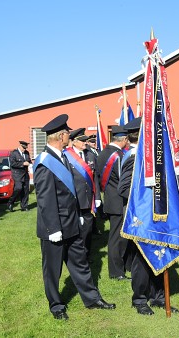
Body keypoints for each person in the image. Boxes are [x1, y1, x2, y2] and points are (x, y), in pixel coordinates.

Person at [33, 114, 115, 320]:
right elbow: (45, 199)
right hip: (55, 228)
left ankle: (92, 298)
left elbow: (72, 191)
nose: (69, 135)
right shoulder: (45, 161)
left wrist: (78, 213)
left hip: (72, 222)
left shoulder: (62, 157)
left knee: (80, 263)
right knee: (52, 270)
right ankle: (56, 305)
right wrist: (53, 229)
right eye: (68, 132)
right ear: (61, 136)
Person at [118, 117, 179, 315]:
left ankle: (158, 296)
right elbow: (124, 188)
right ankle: (140, 299)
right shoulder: (134, 157)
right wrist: (147, 198)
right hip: (141, 217)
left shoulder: (153, 157)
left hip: (156, 215)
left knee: (159, 254)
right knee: (142, 260)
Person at [96, 125, 131, 281]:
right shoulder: (116, 155)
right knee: (117, 238)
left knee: (118, 236)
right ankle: (116, 272)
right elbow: (122, 179)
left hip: (111, 198)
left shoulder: (103, 152)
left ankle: (121, 266)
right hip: (118, 200)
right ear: (123, 139)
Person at [65, 128, 101, 260]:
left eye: (85, 140)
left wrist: (97, 197)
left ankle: (86, 253)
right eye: (82, 140)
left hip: (88, 198)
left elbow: (95, 177)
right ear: (74, 142)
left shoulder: (90, 155)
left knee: (87, 229)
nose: (85, 142)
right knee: (75, 230)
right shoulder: (66, 156)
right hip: (75, 199)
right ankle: (75, 255)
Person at [85, 134, 103, 235]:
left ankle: (94, 228)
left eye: (94, 142)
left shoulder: (93, 152)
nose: (93, 143)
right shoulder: (87, 152)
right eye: (92, 142)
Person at [8, 140, 32, 212]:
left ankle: (24, 206)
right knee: (18, 188)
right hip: (17, 174)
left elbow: (29, 161)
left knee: (25, 191)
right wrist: (22, 164)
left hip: (25, 174)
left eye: (25, 148)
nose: (25, 149)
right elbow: (12, 164)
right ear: (20, 146)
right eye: (24, 148)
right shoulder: (14, 153)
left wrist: (29, 164)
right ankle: (11, 202)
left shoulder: (26, 153)